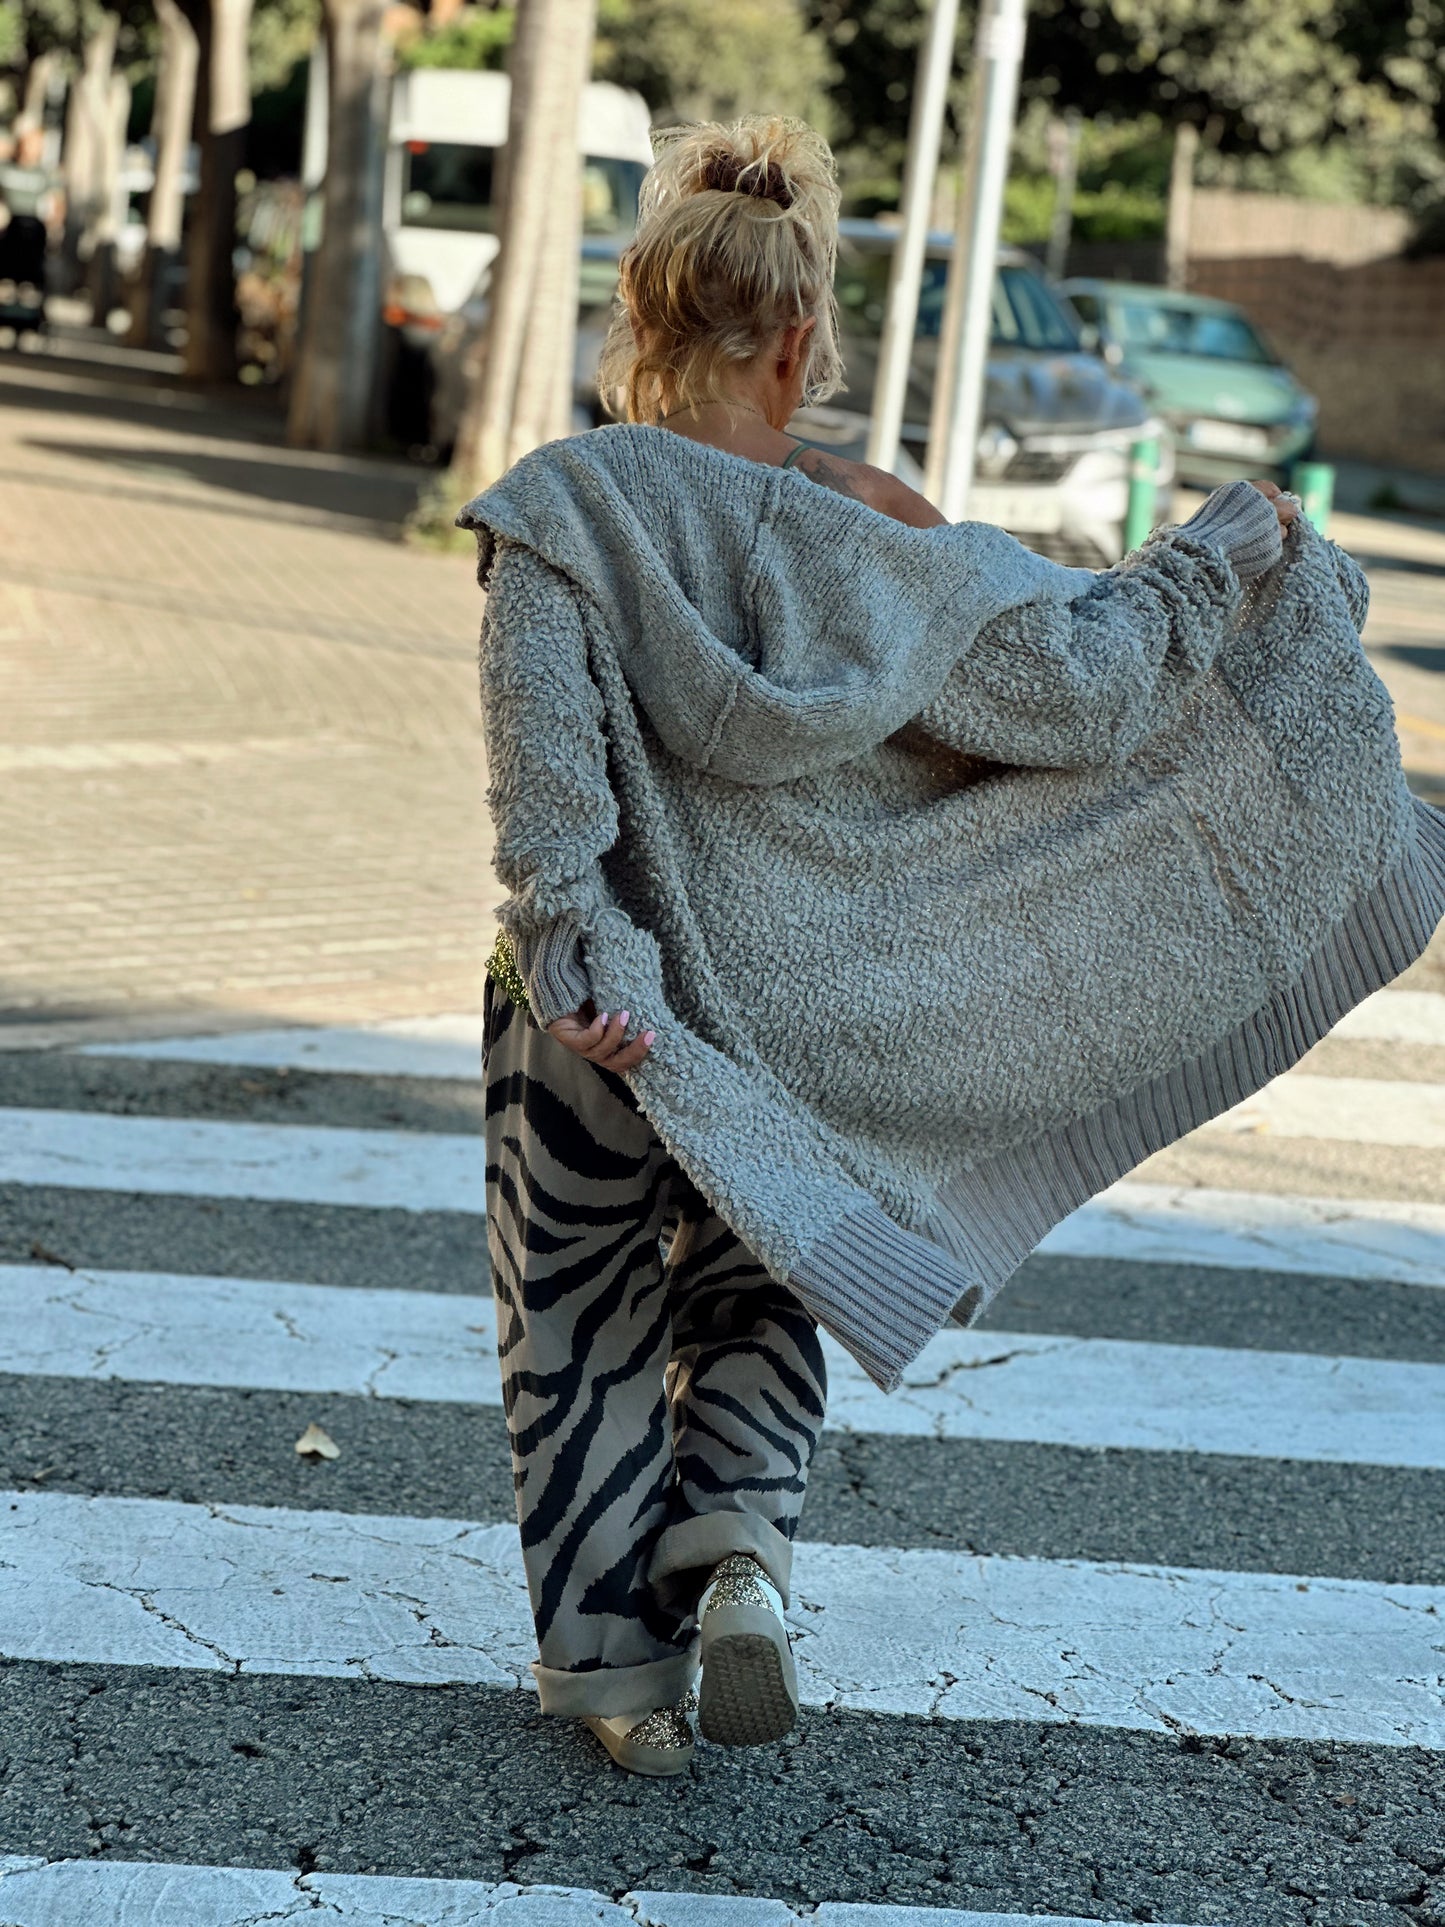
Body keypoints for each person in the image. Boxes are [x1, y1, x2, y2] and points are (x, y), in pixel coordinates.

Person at [464, 116, 1442, 1779]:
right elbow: (1073, 687)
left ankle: (612, 1687)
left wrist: (579, 948)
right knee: (769, 1283)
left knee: (576, 1321)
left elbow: (541, 762)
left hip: (593, 1011)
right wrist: (1216, 561)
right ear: (796, 340)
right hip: (804, 1028)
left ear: (632, 317)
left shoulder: (556, 512)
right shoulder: (876, 524)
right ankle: (740, 1553)